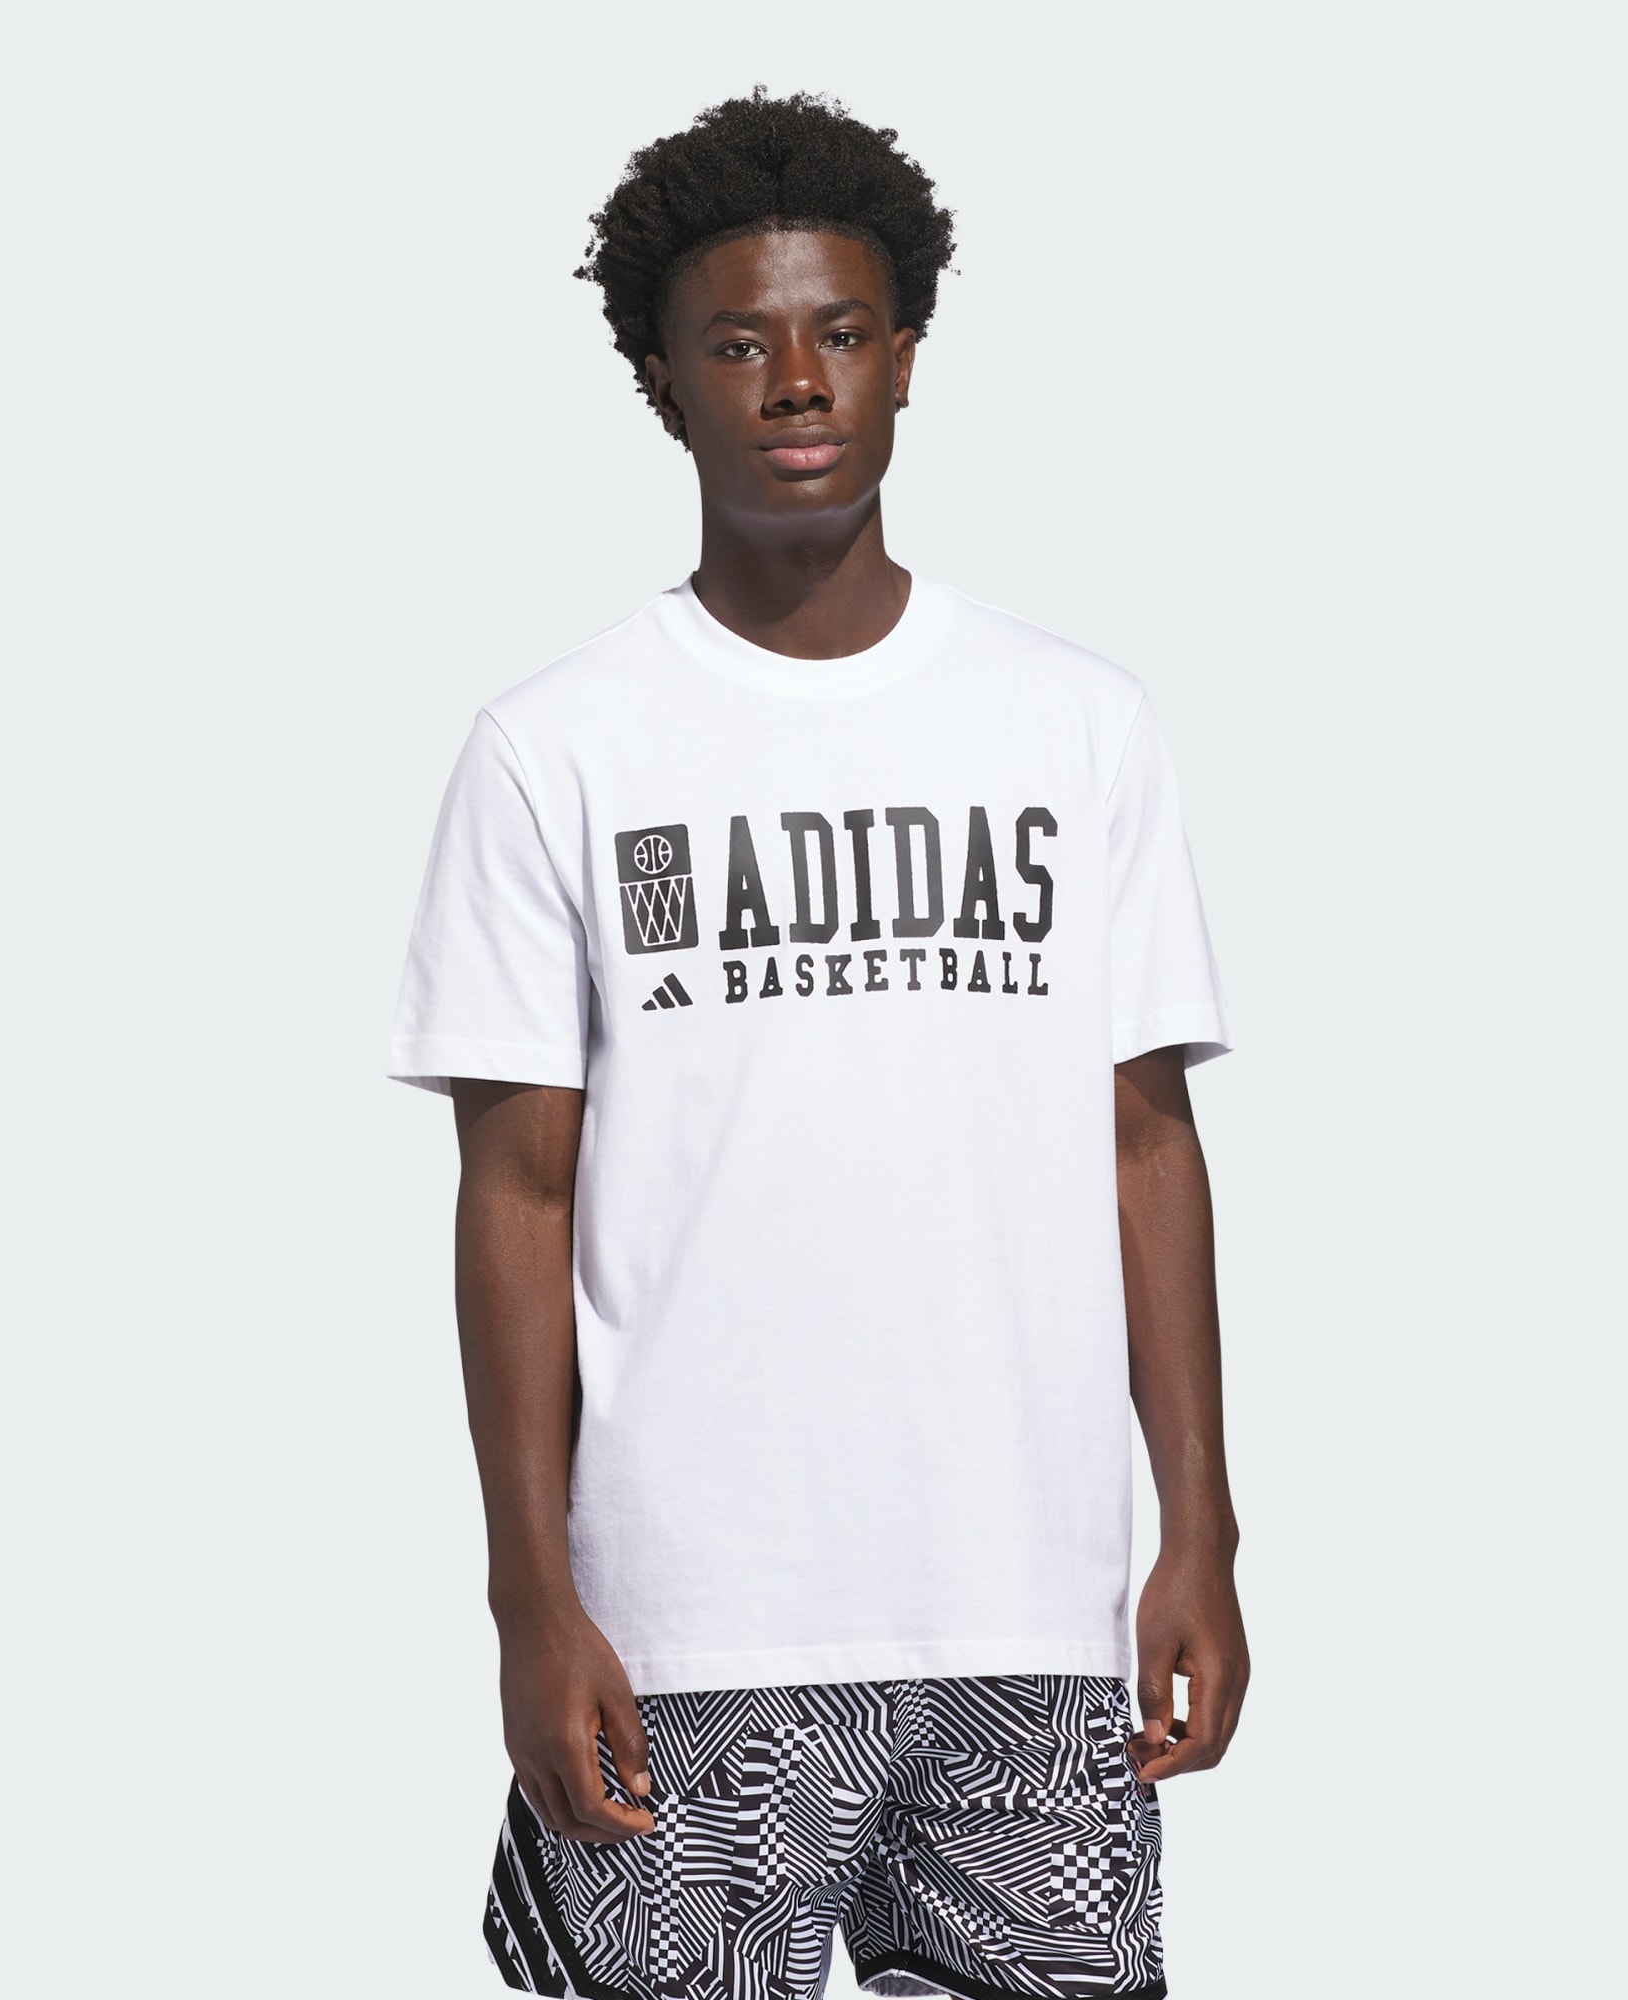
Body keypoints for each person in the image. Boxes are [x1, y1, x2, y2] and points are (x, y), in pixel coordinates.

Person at [388, 86, 1247, 2000]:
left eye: (842, 333)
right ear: (662, 383)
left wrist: (1201, 1526)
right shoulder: (558, 750)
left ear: (907, 355)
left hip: (1030, 1617)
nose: (797, 382)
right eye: (739, 344)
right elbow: (516, 1196)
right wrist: (533, 1599)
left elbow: (1144, 1145)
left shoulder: (1076, 725)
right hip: (686, 1627)